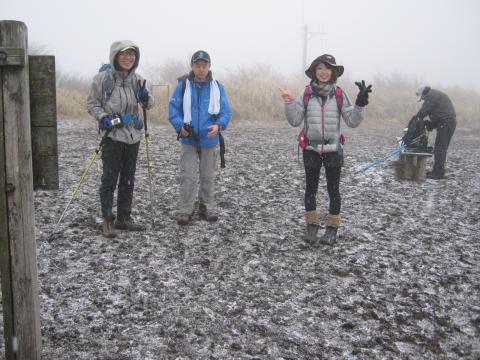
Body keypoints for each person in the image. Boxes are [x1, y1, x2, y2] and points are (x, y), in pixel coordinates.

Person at [280, 54, 371, 245]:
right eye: (320, 68)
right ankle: (312, 227)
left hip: (333, 149)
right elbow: (295, 120)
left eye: (328, 68)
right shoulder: (305, 94)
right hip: (311, 148)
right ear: (314, 71)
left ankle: (332, 229)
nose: (323, 72)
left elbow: (352, 121)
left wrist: (360, 104)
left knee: (333, 190)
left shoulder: (338, 94)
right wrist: (289, 102)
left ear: (334, 72)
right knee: (310, 190)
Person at [87, 40, 154, 238]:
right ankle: (107, 220)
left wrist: (145, 96)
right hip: (112, 137)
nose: (128, 58)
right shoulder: (102, 79)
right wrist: (103, 118)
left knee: (128, 180)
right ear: (115, 56)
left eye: (132, 55)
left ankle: (124, 219)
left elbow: (150, 104)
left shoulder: (138, 80)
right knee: (109, 179)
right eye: (124, 54)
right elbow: (92, 104)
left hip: (133, 137)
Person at [168, 50, 232, 225]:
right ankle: (185, 210)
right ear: (192, 66)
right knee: (187, 175)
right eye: (198, 65)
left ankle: (207, 207)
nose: (201, 69)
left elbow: (226, 112)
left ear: (209, 67)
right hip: (188, 139)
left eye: (204, 65)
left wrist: (219, 125)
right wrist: (180, 126)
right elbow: (173, 110)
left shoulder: (218, 87)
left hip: (209, 139)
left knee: (208, 175)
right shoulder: (182, 86)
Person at [411, 86, 456, 179]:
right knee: (440, 148)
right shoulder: (435, 96)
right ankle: (438, 171)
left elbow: (424, 111)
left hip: (446, 123)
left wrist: (415, 119)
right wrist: (430, 125)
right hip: (446, 122)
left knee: (440, 148)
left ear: (423, 93)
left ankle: (438, 173)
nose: (423, 100)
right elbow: (440, 114)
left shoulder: (431, 96)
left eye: (422, 98)